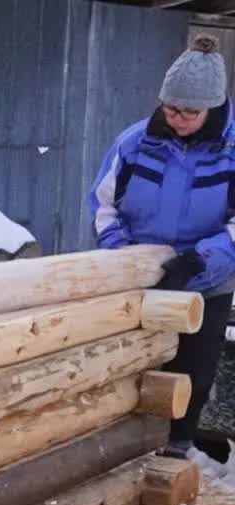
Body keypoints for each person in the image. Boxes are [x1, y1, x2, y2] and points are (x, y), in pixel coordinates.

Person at [90, 35, 235, 459]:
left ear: (214, 107)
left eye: (191, 111)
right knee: (130, 366)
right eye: (172, 108)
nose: (179, 118)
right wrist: (125, 259)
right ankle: (126, 449)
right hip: (140, 279)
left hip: (205, 281)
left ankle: (177, 449)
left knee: (191, 370)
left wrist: (200, 261)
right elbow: (102, 206)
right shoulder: (134, 142)